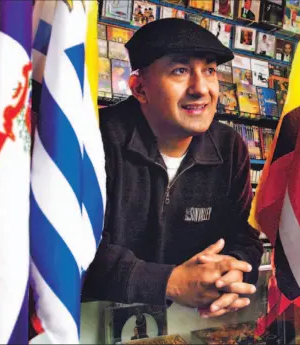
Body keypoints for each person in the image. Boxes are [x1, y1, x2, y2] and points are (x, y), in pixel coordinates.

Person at [83, 18, 263, 319]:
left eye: (209, 70)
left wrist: (233, 272)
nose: (201, 88)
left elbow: (242, 236)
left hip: (188, 320)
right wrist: (168, 282)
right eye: (180, 71)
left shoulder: (230, 147)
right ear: (139, 88)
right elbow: (71, 247)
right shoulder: (97, 137)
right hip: (87, 321)